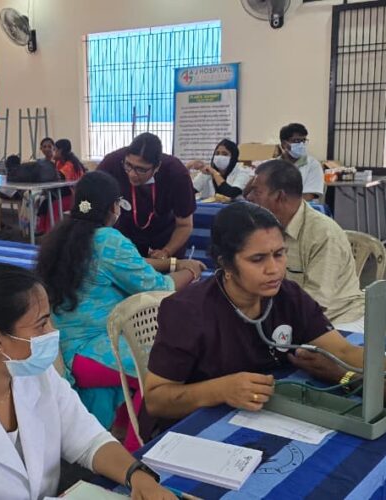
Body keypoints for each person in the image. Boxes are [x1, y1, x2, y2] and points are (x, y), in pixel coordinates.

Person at [0, 262, 175, 500]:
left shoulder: (31, 374)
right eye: (42, 324)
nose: (53, 332)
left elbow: (88, 439)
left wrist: (137, 476)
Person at [141, 202, 368, 442]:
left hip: (266, 417)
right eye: (258, 259)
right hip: (196, 431)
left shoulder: (288, 297)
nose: (274, 269)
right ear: (225, 263)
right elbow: (156, 401)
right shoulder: (188, 311)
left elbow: (343, 351)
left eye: (279, 254)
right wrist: (220, 390)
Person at [37, 171, 205, 432]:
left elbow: (130, 263)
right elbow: (160, 288)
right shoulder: (108, 239)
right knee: (167, 372)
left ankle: (121, 433)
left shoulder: (64, 235)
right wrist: (191, 271)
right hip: (94, 349)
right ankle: (138, 445)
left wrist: (173, 263)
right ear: (114, 206)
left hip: (66, 350)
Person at [246, 159, 364, 331]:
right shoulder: (267, 227)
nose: (249, 198)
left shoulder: (323, 234)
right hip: (290, 314)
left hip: (339, 319)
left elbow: (315, 303)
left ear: (280, 197)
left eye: (256, 192)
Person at [97, 133, 195, 266]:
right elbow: (87, 200)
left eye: (141, 169)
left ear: (157, 167)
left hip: (166, 235)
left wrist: (166, 252)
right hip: (126, 234)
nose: (132, 174)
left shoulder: (176, 174)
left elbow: (185, 225)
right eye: (128, 165)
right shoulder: (112, 163)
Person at [36, 138, 85, 234]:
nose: (52, 152)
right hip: (64, 193)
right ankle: (42, 229)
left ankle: (53, 233)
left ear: (61, 151)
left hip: (76, 196)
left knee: (54, 206)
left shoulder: (70, 164)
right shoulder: (59, 162)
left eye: (54, 149)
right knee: (45, 203)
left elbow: (58, 177)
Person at [188, 139, 253, 200]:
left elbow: (231, 193)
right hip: (209, 207)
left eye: (225, 154)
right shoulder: (207, 171)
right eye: (217, 153)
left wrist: (214, 173)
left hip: (234, 207)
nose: (220, 156)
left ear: (233, 157)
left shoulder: (242, 172)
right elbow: (188, 191)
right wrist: (187, 167)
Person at [279, 123, 324, 201]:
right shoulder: (273, 166)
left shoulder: (312, 165)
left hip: (304, 206)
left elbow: (309, 195)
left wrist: (283, 203)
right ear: (284, 144)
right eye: (296, 141)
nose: (301, 144)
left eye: (303, 140)